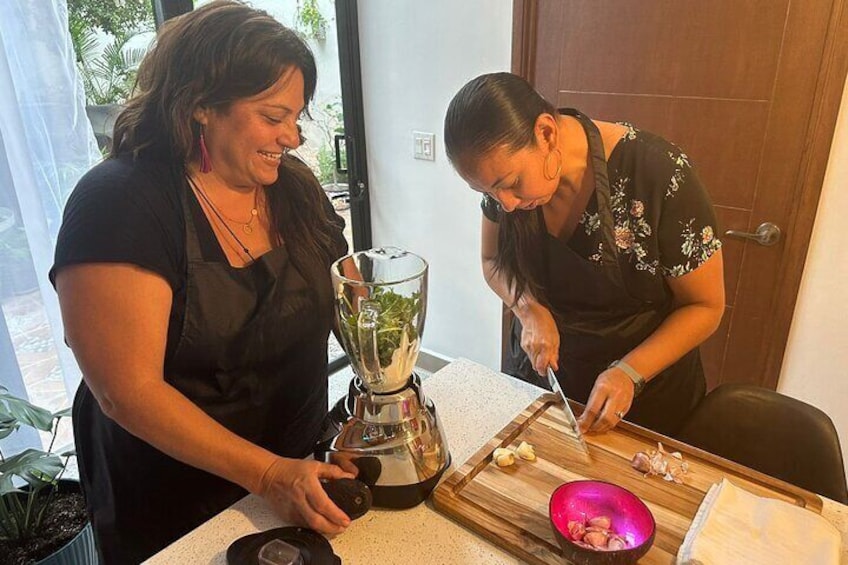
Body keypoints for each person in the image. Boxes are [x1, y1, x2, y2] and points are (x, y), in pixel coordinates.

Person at [50, 2, 356, 562]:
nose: (291, 137)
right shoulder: (122, 204)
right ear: (199, 108)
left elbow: (346, 292)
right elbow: (127, 393)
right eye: (273, 116)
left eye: (297, 117)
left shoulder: (293, 186)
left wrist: (380, 387)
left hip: (294, 467)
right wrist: (267, 474)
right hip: (173, 496)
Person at [444, 72, 725, 438]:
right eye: (487, 193)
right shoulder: (500, 180)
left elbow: (705, 307)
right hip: (542, 381)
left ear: (545, 133)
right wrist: (528, 309)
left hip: (642, 397)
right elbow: (493, 261)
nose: (506, 206)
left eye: (510, 185)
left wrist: (629, 372)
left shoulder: (659, 175)